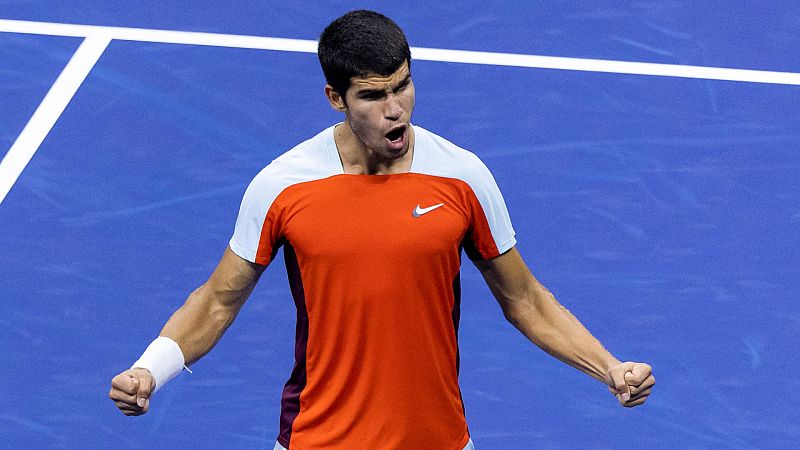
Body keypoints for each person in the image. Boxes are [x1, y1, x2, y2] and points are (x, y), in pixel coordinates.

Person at [109, 10, 655, 449]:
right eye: (372, 96)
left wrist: (608, 368)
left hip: (436, 438)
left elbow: (526, 300)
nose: (395, 110)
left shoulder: (462, 177)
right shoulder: (283, 186)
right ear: (335, 98)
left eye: (403, 87)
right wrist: (149, 371)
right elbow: (217, 301)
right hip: (318, 438)